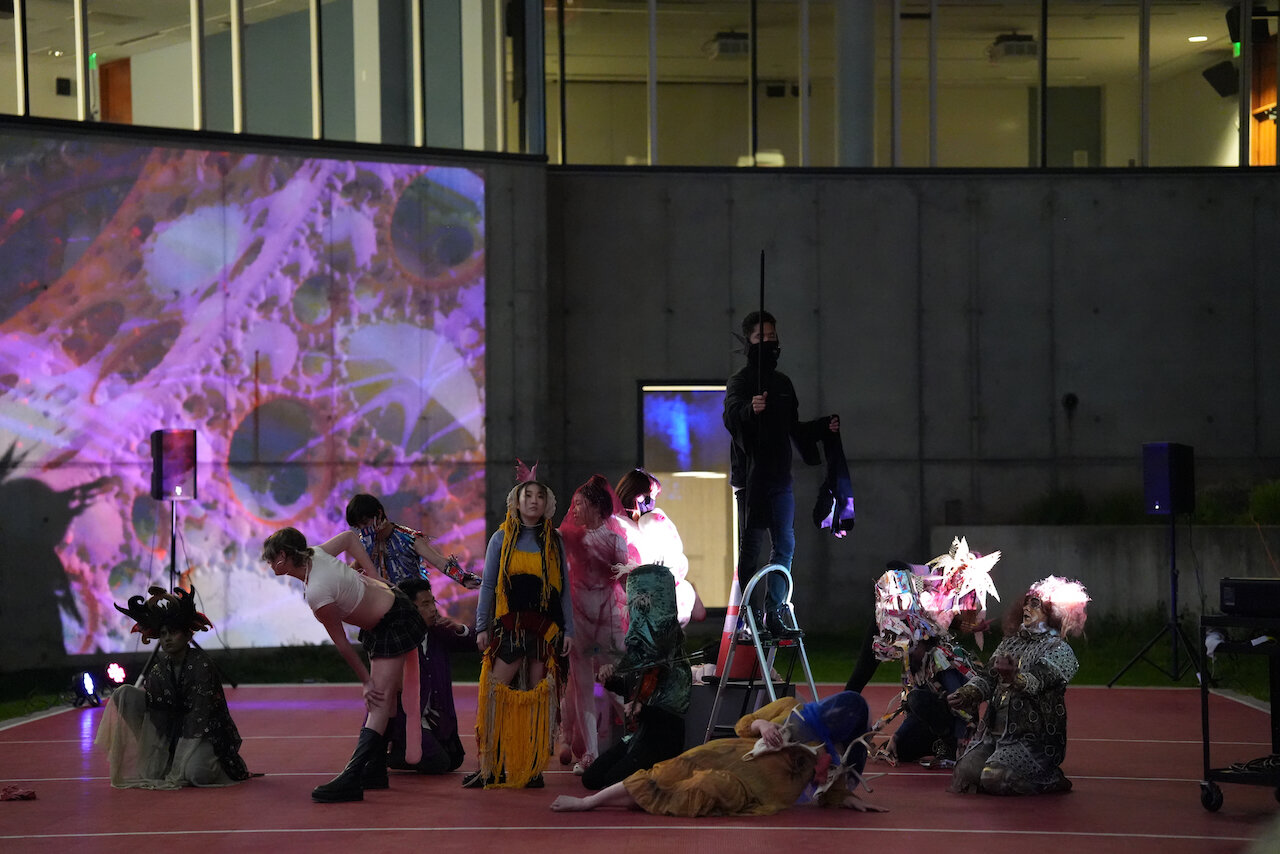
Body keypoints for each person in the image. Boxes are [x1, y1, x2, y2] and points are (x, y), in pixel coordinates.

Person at [261, 526, 425, 802]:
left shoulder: (317, 593)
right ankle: (375, 771)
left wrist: (366, 681)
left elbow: (342, 644)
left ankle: (352, 777)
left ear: (283, 557)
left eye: (270, 558)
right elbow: (349, 538)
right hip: (386, 614)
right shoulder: (316, 554)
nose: (268, 563)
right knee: (385, 701)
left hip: (393, 620)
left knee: (378, 699)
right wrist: (374, 576)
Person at [550, 691, 885, 816]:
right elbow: (743, 725)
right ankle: (588, 803)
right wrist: (762, 726)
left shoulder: (832, 755)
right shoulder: (791, 707)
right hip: (729, 752)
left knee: (700, 787)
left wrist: (849, 797)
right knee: (670, 771)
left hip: (749, 788)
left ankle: (601, 802)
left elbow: (832, 793)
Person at [723, 309, 839, 637]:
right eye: (761, 337)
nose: (768, 342)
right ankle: (748, 617)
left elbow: (794, 429)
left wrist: (823, 428)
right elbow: (731, 414)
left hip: (779, 477)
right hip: (750, 479)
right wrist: (750, 409)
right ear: (748, 342)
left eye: (772, 336)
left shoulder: (783, 384)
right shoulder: (741, 381)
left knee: (785, 545)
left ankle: (773, 613)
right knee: (751, 548)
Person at [467, 462, 574, 789]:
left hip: (544, 631)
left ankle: (532, 767)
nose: (533, 501)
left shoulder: (554, 541)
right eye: (528, 495)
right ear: (516, 500)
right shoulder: (501, 538)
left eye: (539, 496)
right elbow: (488, 585)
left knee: (537, 697)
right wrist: (481, 626)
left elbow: (563, 589)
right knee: (496, 694)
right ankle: (493, 765)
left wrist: (569, 630)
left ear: (547, 503)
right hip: (509, 627)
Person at [95, 586, 251, 789]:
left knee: (196, 774)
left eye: (174, 632)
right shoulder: (158, 670)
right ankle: (161, 754)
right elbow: (156, 714)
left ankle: (214, 761)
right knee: (123, 693)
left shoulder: (202, 665)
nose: (167, 638)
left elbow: (199, 716)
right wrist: (158, 748)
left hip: (204, 733)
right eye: (163, 633)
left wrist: (179, 760)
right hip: (172, 732)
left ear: (187, 635)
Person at [948, 575, 1090, 796]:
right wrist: (967, 693)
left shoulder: (1060, 650)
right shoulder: (1010, 642)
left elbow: (1038, 680)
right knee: (964, 774)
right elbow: (988, 677)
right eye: (1026, 602)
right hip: (995, 735)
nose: (1026, 607)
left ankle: (1050, 780)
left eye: (1035, 604)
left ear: (1053, 612)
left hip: (1032, 740)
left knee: (993, 777)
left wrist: (1014, 678)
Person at [582, 563, 692, 791]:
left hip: (660, 741)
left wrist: (643, 709)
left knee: (613, 782)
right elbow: (633, 688)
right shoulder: (644, 655)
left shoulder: (675, 661)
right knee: (591, 778)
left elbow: (673, 715)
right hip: (637, 737)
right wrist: (609, 680)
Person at [557, 474, 633, 774]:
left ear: (597, 507)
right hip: (578, 622)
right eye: (573, 504)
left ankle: (636, 735)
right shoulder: (567, 539)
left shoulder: (615, 540)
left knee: (616, 685)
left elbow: (626, 582)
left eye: (580, 504)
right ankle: (590, 753)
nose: (573, 509)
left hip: (607, 621)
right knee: (582, 688)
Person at [383, 576, 473, 774]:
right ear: (410, 608)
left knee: (455, 760)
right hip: (408, 720)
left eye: (433, 602)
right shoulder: (396, 639)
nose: (433, 609)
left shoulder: (439, 631)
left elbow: (474, 643)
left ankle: (404, 750)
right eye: (425, 604)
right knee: (439, 763)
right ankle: (394, 753)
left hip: (436, 717)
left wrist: (460, 629)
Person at [613, 468, 706, 626]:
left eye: (655, 497)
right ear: (635, 494)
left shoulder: (650, 526)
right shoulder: (617, 527)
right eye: (649, 495)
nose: (652, 501)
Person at [345, 493, 481, 589]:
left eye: (365, 523)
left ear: (379, 514)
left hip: (411, 606)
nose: (363, 530)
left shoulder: (407, 537)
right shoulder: (363, 542)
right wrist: (365, 552)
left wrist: (462, 578)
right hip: (380, 608)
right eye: (358, 527)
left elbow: (438, 561)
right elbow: (350, 573)